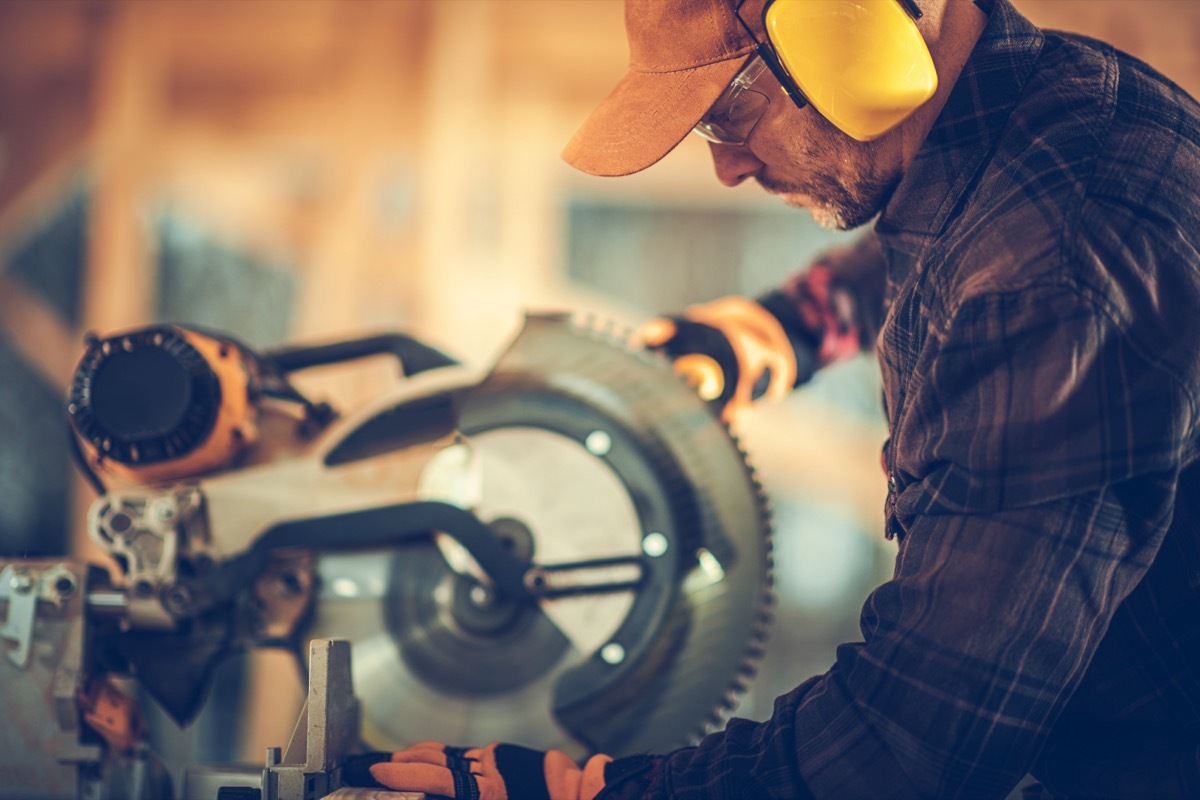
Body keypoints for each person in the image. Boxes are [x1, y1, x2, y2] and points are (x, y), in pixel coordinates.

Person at [362, 0, 1200, 796]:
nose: (727, 167)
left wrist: (598, 791)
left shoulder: (1053, 269)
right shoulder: (1046, 113)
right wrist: (772, 333)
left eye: (728, 114)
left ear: (854, 27)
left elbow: (906, 747)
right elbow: (939, 250)